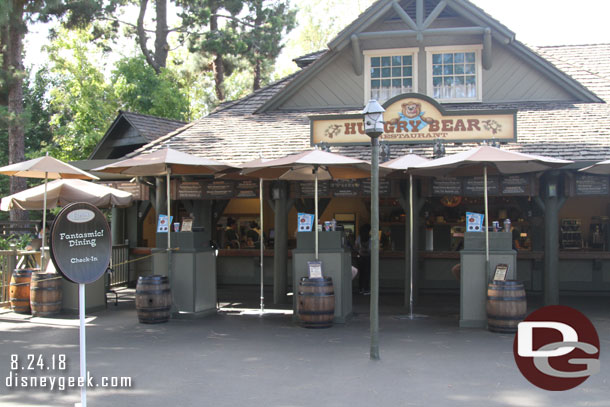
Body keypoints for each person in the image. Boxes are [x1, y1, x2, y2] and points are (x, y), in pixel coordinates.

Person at [354, 223, 371, 295]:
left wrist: (359, 250)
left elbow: (355, 246)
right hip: (368, 257)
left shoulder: (359, 237)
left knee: (361, 274)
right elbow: (371, 249)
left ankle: (360, 289)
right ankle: (366, 289)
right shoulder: (370, 238)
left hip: (360, 257)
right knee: (367, 274)